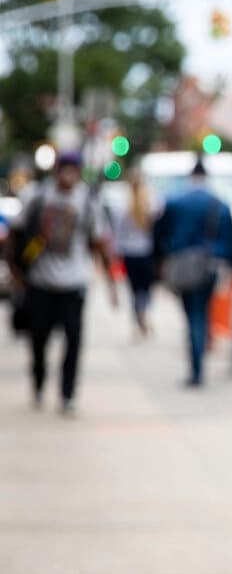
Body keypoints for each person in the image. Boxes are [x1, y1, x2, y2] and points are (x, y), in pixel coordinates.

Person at [4, 150, 117, 414]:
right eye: (64, 168)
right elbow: (14, 234)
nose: (68, 174)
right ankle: (39, 380)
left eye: (73, 169)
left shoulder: (87, 201)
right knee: (38, 341)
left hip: (74, 284)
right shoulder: (37, 196)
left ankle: (67, 393)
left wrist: (112, 284)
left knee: (74, 341)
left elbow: (100, 243)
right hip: (40, 283)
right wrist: (15, 271)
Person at [152, 157, 232, 387]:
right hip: (210, 266)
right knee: (202, 313)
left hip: (183, 266)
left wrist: (160, 260)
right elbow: (231, 238)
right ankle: (199, 364)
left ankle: (196, 369)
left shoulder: (175, 201)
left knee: (192, 316)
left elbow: (158, 232)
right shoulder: (219, 203)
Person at [111, 169, 158, 338]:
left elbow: (117, 235)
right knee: (145, 289)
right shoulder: (150, 206)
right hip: (145, 253)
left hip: (129, 254)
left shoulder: (123, 208)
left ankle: (137, 319)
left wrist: (115, 254)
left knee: (133, 289)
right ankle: (143, 313)